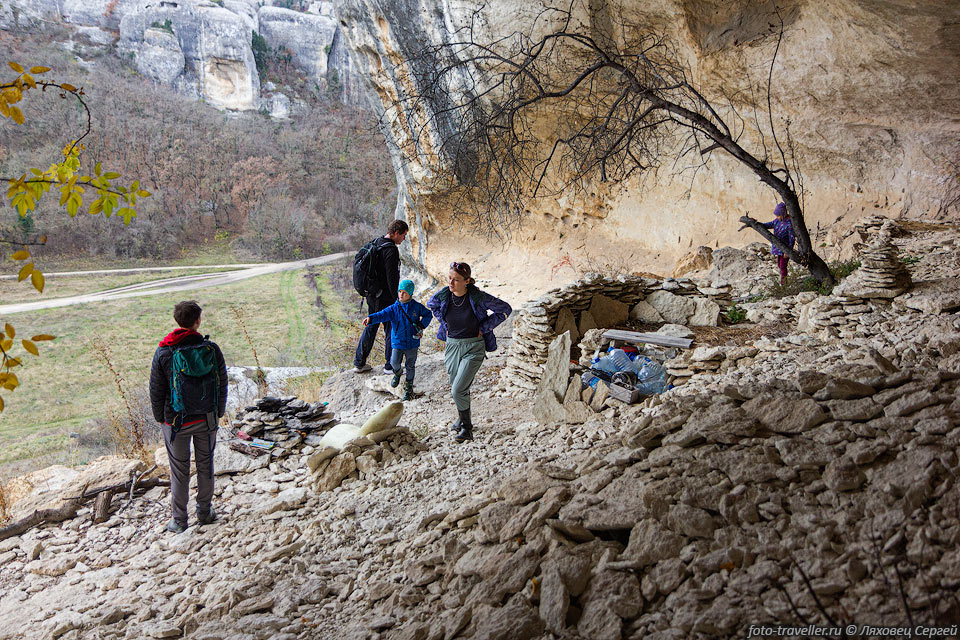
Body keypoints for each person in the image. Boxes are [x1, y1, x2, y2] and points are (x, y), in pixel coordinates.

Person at [149, 300, 227, 534]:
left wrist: (161, 419)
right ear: (197, 321)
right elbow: (222, 382)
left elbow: (156, 390)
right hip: (206, 419)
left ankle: (179, 520)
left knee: (180, 471)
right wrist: (218, 412)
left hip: (175, 422)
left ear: (177, 321)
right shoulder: (211, 349)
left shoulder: (164, 351)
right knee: (206, 466)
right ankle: (204, 512)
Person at [427, 262, 512, 442]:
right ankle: (462, 417)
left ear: (466, 281)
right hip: (452, 346)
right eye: (450, 278)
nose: (451, 283)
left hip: (474, 347)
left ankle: (467, 429)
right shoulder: (444, 296)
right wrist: (445, 324)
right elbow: (431, 304)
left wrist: (485, 327)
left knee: (458, 389)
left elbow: (505, 309)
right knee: (457, 387)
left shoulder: (477, 297)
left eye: (456, 280)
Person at [354, 220, 409, 373]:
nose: (403, 239)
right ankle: (390, 366)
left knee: (371, 325)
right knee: (391, 327)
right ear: (396, 233)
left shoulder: (377, 242)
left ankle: (359, 362)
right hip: (384, 296)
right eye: (403, 235)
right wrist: (397, 299)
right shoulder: (390, 250)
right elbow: (392, 279)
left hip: (372, 294)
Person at [363, 279, 432, 401]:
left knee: (410, 366)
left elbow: (428, 314)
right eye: (399, 291)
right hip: (398, 342)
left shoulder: (416, 307)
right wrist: (370, 318)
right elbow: (381, 314)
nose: (401, 294)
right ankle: (397, 373)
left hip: (412, 342)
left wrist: (421, 325)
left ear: (410, 294)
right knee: (394, 362)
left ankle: (408, 389)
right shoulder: (394, 308)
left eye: (404, 292)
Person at [762, 202, 796, 286]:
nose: (777, 217)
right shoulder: (777, 221)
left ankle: (784, 284)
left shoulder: (789, 224)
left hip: (785, 249)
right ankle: (783, 281)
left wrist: (787, 251)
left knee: (783, 266)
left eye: (778, 215)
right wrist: (756, 223)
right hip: (778, 248)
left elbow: (791, 238)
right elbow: (768, 225)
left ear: (783, 214)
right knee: (779, 265)